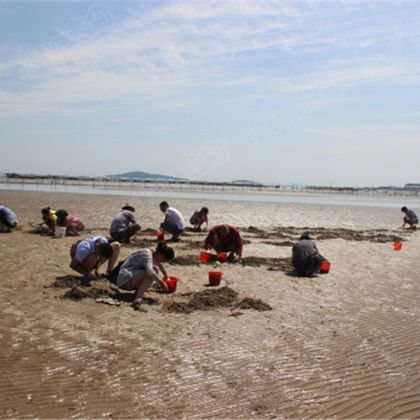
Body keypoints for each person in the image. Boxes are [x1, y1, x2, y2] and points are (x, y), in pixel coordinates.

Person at [116, 242, 175, 310]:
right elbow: (150, 271)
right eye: (164, 260)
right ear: (160, 255)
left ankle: (139, 292)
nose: (163, 262)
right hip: (124, 279)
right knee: (151, 273)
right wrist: (161, 283)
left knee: (155, 269)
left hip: (132, 277)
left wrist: (166, 277)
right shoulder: (147, 254)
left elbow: (160, 265)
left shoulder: (154, 254)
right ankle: (137, 299)